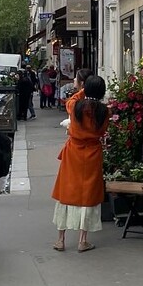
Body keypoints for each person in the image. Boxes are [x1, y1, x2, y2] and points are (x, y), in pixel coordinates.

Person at [52, 75, 109, 253]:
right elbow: (103, 131)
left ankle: (60, 239)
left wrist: (84, 89)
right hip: (92, 153)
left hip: (73, 152)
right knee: (88, 195)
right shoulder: (104, 112)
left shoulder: (75, 106)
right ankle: (82, 240)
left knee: (66, 190)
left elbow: (71, 99)